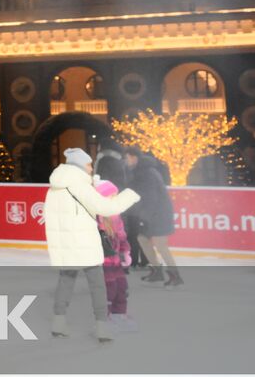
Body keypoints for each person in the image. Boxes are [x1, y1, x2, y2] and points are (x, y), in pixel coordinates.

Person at [44, 148, 140, 342]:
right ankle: (101, 327)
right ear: (80, 166)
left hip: (65, 243)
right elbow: (106, 208)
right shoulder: (79, 185)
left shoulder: (55, 186)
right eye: (88, 164)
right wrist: (131, 195)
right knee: (97, 285)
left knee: (66, 281)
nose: (90, 168)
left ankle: (58, 322)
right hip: (83, 242)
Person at [124, 146, 181, 286]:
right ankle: (157, 271)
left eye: (126, 158)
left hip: (158, 214)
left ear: (133, 157)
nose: (125, 161)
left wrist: (144, 218)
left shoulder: (146, 173)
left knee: (161, 245)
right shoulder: (139, 171)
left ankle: (176, 276)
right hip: (152, 213)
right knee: (142, 239)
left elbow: (150, 198)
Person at [93, 151, 135, 332]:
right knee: (108, 290)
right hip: (103, 262)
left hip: (116, 261)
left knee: (122, 288)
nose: (113, 199)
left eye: (114, 196)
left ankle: (119, 315)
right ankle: (104, 319)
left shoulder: (115, 215)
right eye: (109, 196)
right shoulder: (96, 217)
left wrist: (125, 251)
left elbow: (122, 235)